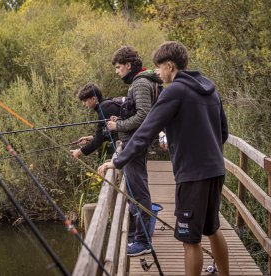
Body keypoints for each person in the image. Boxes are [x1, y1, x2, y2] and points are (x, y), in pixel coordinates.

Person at [98, 41, 229, 275]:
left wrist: (117, 161)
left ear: (170, 65)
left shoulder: (174, 91)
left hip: (192, 175)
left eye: (159, 67)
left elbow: (145, 131)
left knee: (190, 239)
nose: (157, 72)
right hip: (216, 169)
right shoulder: (210, 89)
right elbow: (223, 133)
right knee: (212, 228)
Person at [107, 45, 162, 257]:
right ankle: (138, 235)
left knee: (138, 192)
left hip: (135, 145)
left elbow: (144, 116)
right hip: (135, 143)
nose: (117, 71)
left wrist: (117, 126)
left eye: (119, 67)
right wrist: (120, 119)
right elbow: (137, 113)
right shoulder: (141, 82)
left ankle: (142, 241)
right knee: (137, 190)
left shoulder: (139, 83)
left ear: (128, 65)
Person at [71, 83, 120, 160]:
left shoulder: (104, 109)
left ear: (94, 99)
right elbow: (104, 134)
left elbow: (98, 141)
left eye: (85, 101)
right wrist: (90, 138)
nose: (83, 104)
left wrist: (79, 152)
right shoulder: (106, 105)